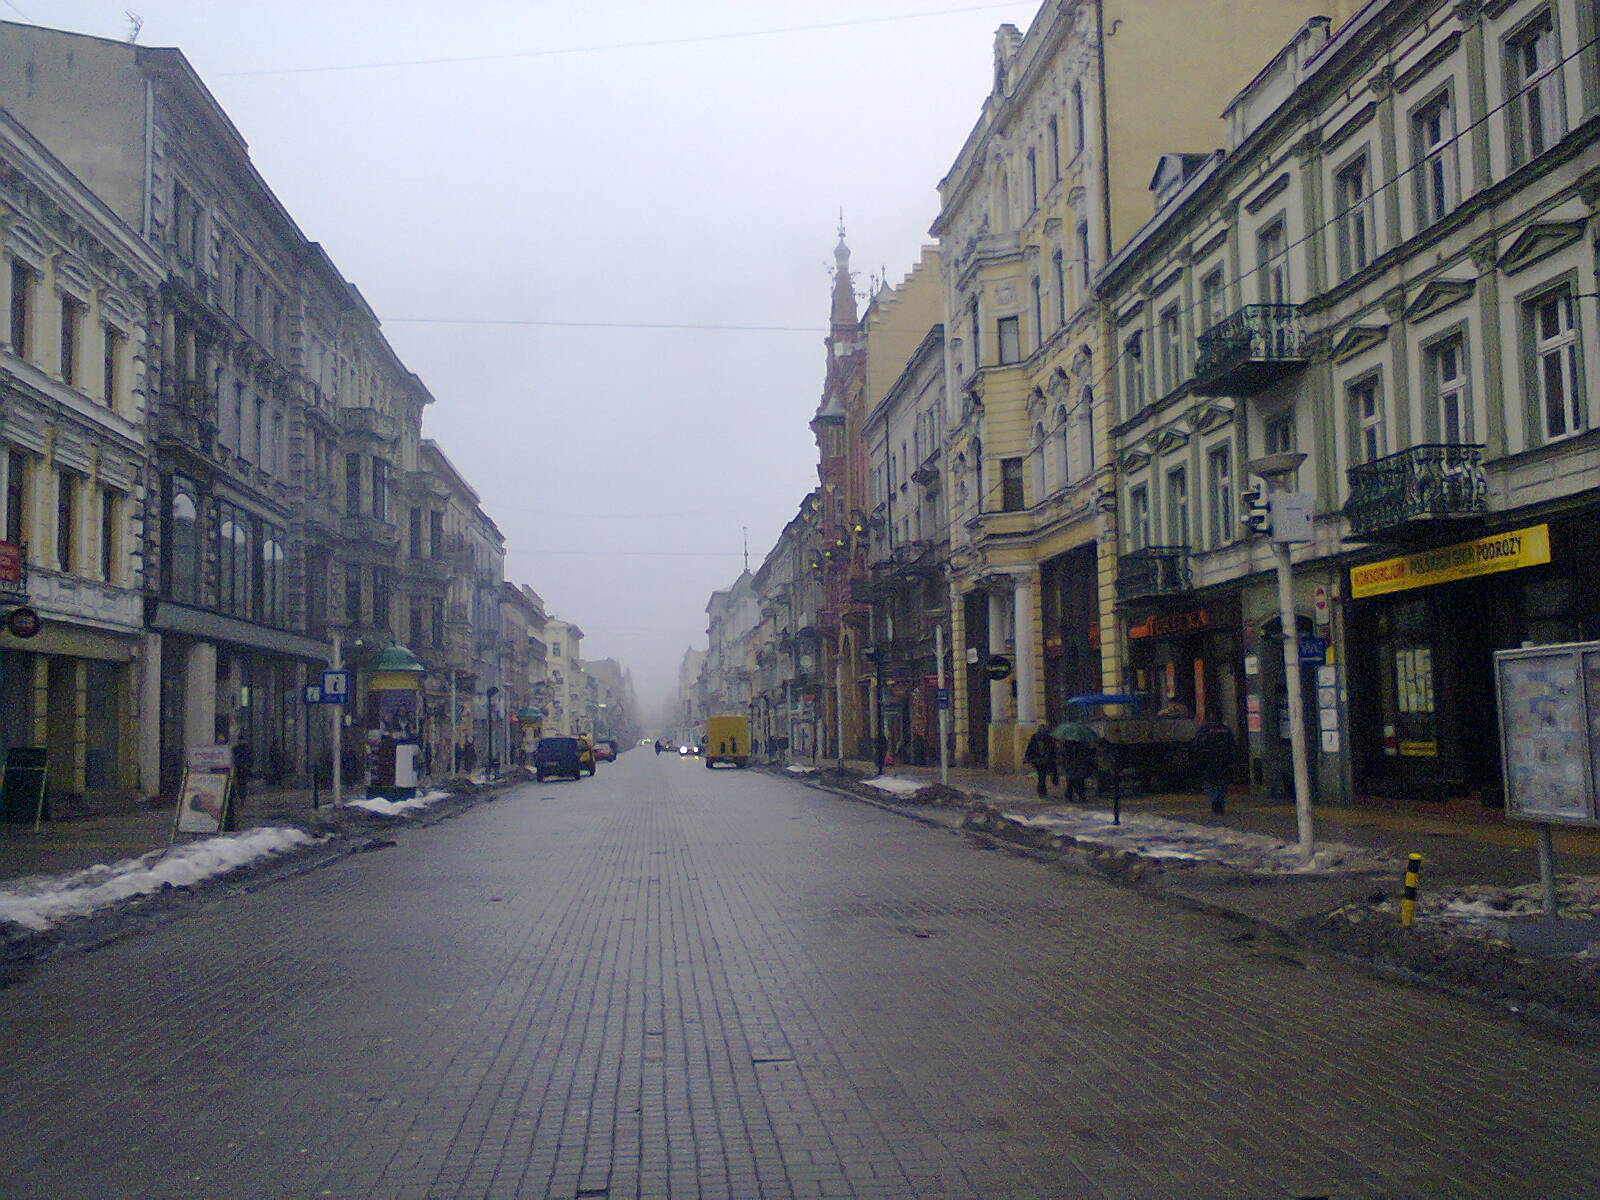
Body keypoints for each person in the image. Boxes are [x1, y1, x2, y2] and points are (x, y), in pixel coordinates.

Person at [1193, 716, 1236, 814]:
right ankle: (1218, 800)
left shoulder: (1204, 729)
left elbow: (1197, 744)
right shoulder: (1225, 729)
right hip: (1223, 759)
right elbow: (1232, 745)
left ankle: (1215, 798)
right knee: (1222, 781)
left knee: (1207, 782)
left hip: (1208, 759)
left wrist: (1199, 758)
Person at [1058, 735, 1096, 805]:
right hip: (1074, 764)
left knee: (1074, 780)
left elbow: (1063, 754)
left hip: (1073, 764)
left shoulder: (1068, 743)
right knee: (1075, 780)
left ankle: (1073, 795)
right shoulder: (1079, 743)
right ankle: (1077, 795)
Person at [1023, 726, 1057, 798]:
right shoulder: (1035, 738)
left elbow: (1052, 749)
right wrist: (1027, 757)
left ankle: (1042, 790)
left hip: (1045, 760)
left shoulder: (1048, 738)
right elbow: (1030, 747)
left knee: (1043, 776)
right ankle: (1042, 791)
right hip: (1038, 761)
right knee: (1041, 776)